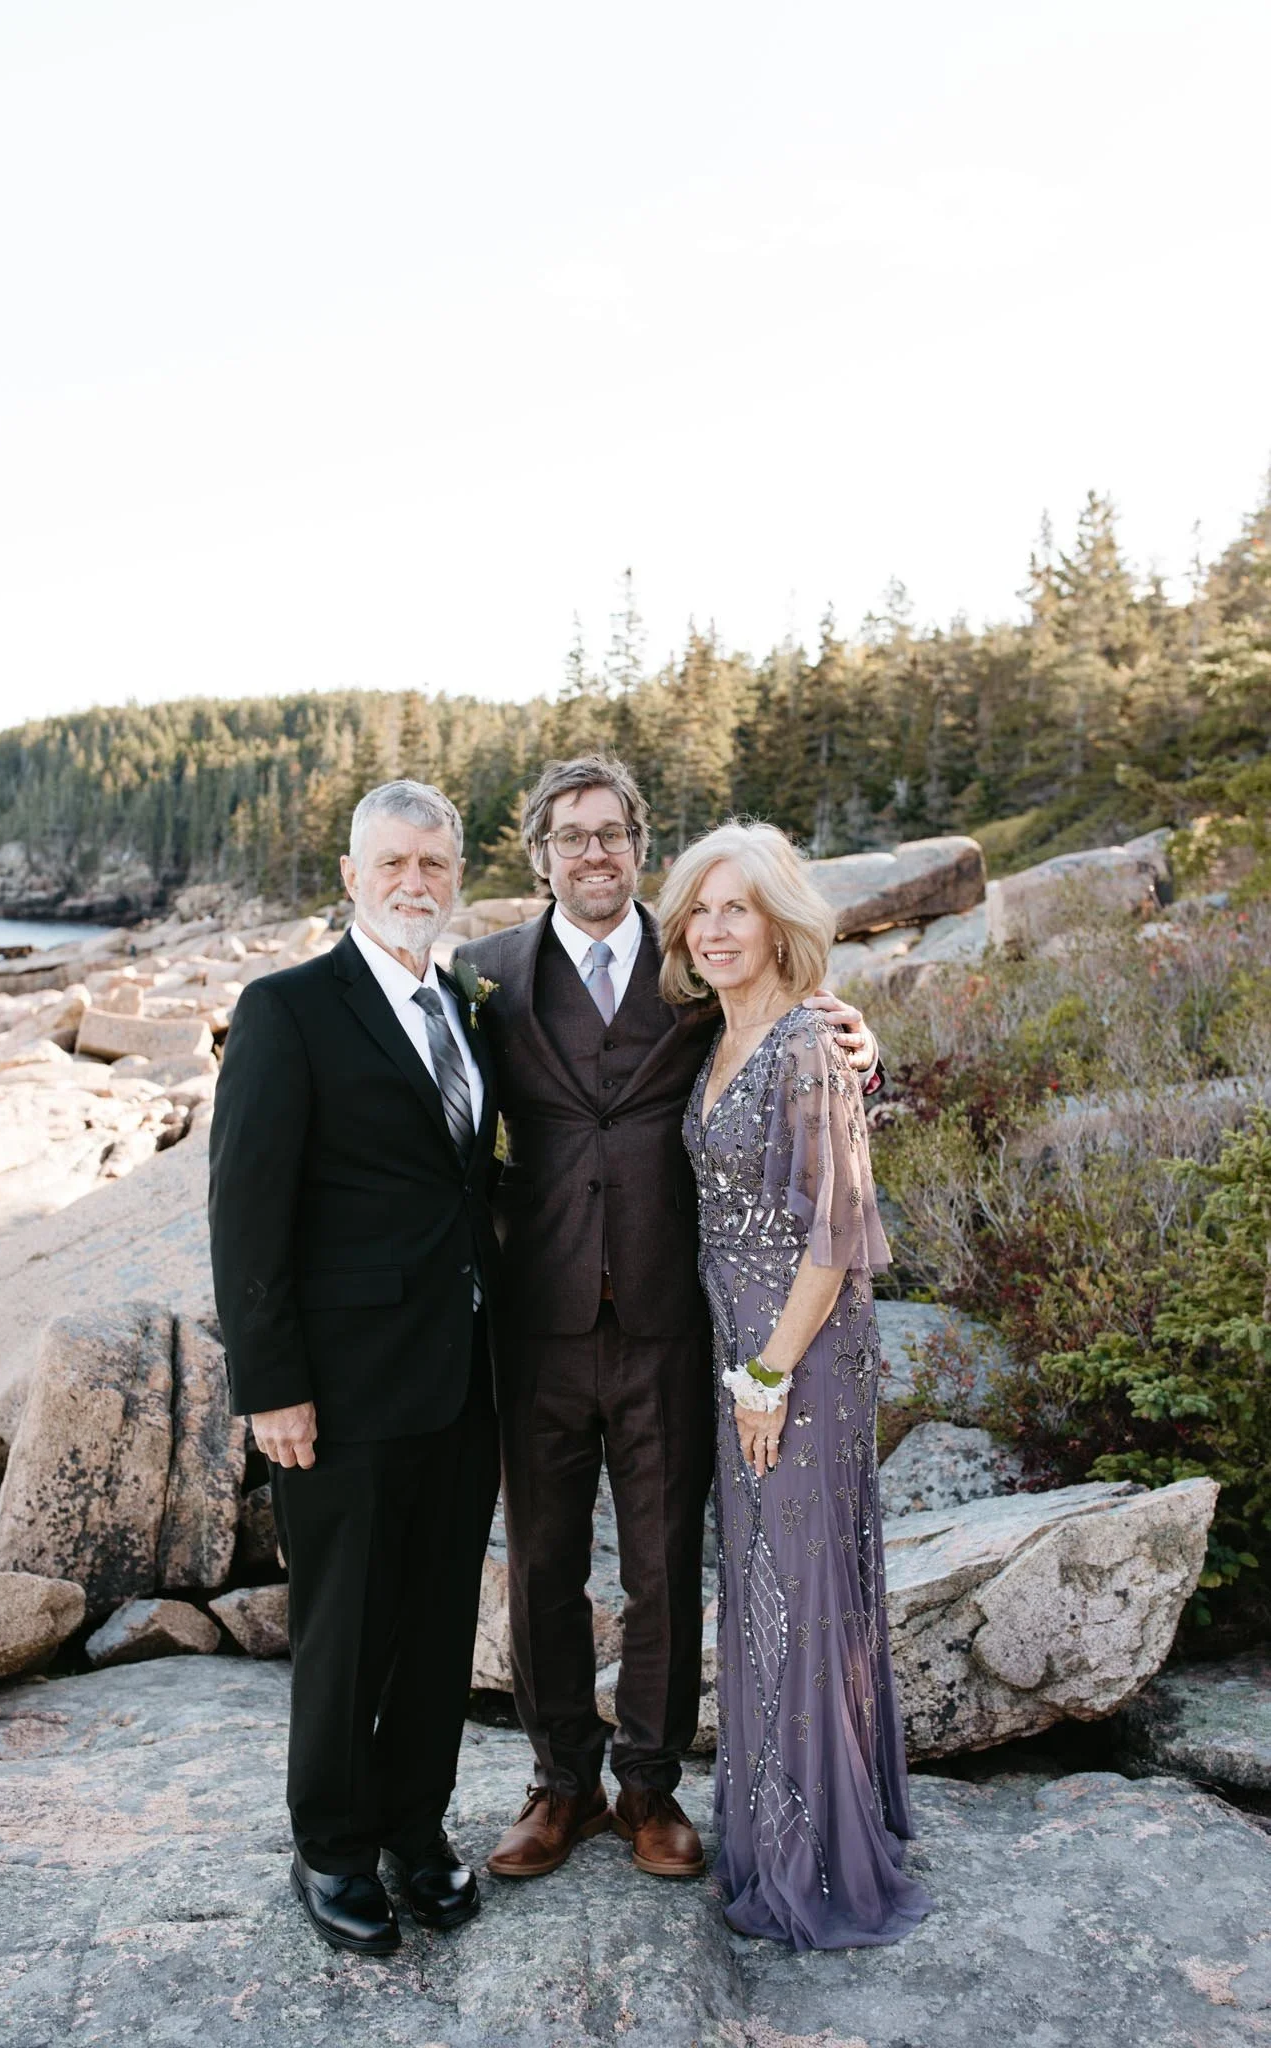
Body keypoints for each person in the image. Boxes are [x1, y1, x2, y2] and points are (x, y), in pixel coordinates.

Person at [454, 757, 880, 1884]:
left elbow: (788, 1029)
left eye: (613, 833)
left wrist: (860, 1039)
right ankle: (560, 1783)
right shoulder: (482, 974)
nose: (594, 852)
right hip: (533, 1321)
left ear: (640, 845)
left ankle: (648, 1786)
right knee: (542, 1562)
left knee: (660, 1566)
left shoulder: (694, 963)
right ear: (536, 852)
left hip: (669, 1321)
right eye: (571, 835)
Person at [207, 779, 501, 1957]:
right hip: (338, 1387)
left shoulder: (468, 1003)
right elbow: (246, 1211)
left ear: (454, 872)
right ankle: (330, 1843)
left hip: (466, 1374)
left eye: (433, 864)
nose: (414, 883)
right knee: (343, 1626)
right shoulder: (288, 1009)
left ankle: (412, 1826)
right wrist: (270, 1382)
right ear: (351, 875)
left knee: (435, 1623)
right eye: (392, 865)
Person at [656, 819, 932, 1950]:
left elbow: (834, 1234)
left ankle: (820, 1857)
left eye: (738, 907)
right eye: (699, 910)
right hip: (741, 1350)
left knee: (802, 1585)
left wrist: (768, 1373)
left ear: (780, 920)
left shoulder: (810, 1043)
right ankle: (783, 1826)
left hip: (797, 1355)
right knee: (765, 1586)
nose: (716, 929)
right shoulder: (716, 1037)